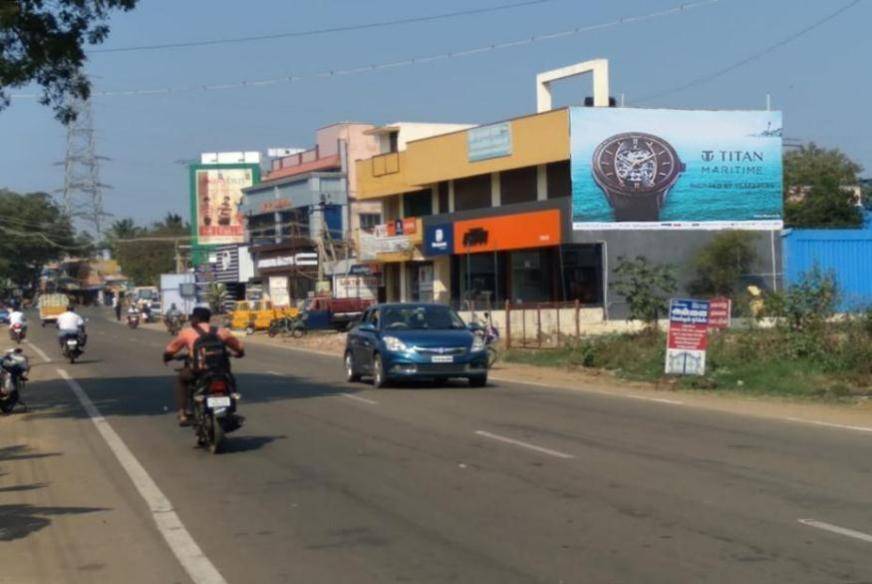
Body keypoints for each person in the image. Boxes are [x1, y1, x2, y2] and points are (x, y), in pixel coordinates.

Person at [162, 307, 244, 426]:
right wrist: (239, 354)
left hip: (199, 371)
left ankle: (183, 413)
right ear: (208, 318)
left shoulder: (187, 332)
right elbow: (239, 347)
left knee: (181, 380)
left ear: (196, 318)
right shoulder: (221, 331)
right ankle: (232, 409)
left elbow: (170, 350)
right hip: (220, 371)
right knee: (230, 381)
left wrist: (167, 357)